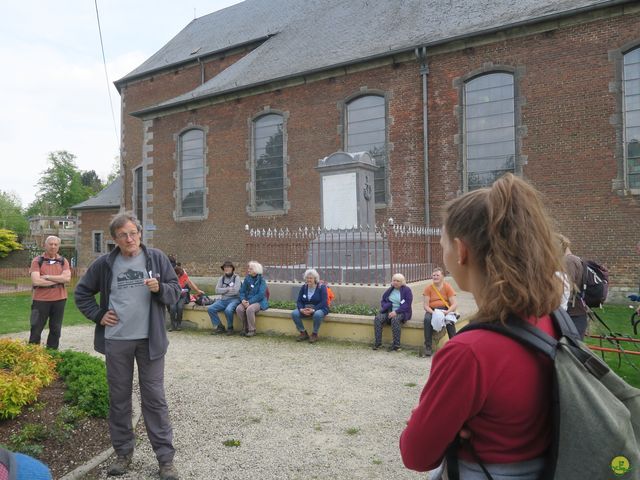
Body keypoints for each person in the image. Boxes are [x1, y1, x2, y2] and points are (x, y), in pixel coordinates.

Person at [400, 173, 564, 479]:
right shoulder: (551, 318)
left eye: (443, 244)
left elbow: (416, 454)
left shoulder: (468, 352)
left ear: (461, 251)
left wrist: (436, 421)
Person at [74, 213, 180, 480]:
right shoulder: (105, 264)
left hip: (150, 342)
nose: (130, 238)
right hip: (117, 341)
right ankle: (123, 453)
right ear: (115, 239)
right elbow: (82, 292)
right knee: (119, 400)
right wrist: (99, 315)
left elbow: (175, 291)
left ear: (140, 233)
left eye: (133, 232)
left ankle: (165, 460)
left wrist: (159, 289)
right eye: (123, 235)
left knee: (154, 399)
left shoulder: (157, 258)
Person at [28, 235, 71, 349]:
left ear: (58, 246)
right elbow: (36, 281)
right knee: (36, 329)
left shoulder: (63, 261)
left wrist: (46, 277)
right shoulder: (37, 261)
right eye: (50, 244)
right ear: (45, 245)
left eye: (55, 244)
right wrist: (58, 280)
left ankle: (51, 355)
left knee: (56, 329)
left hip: (59, 300)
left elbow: (66, 279)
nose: (53, 246)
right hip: (40, 300)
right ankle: (32, 355)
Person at [422, 267, 458, 357]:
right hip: (432, 310)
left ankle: (454, 347)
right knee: (427, 320)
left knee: (449, 321)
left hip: (445, 309)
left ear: (442, 276)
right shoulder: (428, 288)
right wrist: (433, 313)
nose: (435, 277)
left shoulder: (447, 287)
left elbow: (454, 304)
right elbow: (426, 305)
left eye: (437, 275)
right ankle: (428, 346)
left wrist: (447, 312)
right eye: (434, 275)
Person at [558, 234, 588, 339]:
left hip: (573, 313)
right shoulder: (573, 259)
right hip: (574, 312)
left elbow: (566, 287)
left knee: (570, 348)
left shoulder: (569, 261)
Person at [372, 273, 413, 351]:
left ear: (402, 282)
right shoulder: (390, 289)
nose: (395, 282)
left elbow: (407, 304)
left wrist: (396, 312)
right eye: (394, 280)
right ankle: (378, 343)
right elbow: (383, 300)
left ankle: (396, 345)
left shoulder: (407, 290)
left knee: (395, 320)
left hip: (402, 312)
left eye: (398, 281)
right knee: (378, 318)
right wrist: (386, 306)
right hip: (389, 311)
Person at [291, 268, 330, 343]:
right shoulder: (304, 287)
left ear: (315, 279)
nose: (309, 280)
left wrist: (313, 309)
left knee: (317, 314)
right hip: (306, 308)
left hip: (320, 308)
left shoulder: (321, 287)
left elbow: (324, 302)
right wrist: (301, 309)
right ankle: (303, 333)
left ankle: (314, 334)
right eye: (307, 278)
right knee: (295, 313)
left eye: (311, 278)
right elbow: (299, 301)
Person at [208, 260, 242, 335]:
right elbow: (217, 290)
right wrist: (227, 289)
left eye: (228, 267)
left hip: (234, 299)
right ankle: (219, 327)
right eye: (225, 267)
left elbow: (236, 291)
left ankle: (230, 328)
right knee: (211, 309)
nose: (226, 269)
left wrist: (223, 291)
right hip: (223, 300)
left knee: (228, 310)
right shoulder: (221, 278)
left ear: (232, 268)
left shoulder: (237, 278)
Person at [235, 261, 268, 337]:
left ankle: (252, 329)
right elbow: (242, 291)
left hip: (259, 301)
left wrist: (249, 302)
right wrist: (243, 300)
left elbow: (261, 295)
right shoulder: (247, 279)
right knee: (239, 309)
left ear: (256, 270)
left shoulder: (261, 280)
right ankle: (245, 327)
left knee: (250, 309)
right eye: (248, 268)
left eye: (250, 269)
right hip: (246, 301)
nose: (248, 270)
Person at [169, 266, 204, 331]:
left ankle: (179, 324)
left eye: (179, 275)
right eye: (177, 275)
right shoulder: (171, 276)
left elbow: (191, 284)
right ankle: (173, 325)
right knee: (172, 308)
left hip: (182, 296)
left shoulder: (184, 276)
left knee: (179, 307)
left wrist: (198, 291)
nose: (178, 276)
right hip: (174, 295)